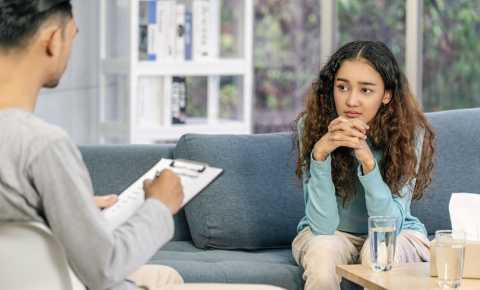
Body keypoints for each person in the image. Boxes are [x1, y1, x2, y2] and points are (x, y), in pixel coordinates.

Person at [0, 1, 282, 290]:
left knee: (163, 276)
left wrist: (74, 208)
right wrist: (159, 205)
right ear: (53, 40)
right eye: (73, 35)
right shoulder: (43, 146)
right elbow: (104, 268)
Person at [291, 40, 435, 290]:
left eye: (366, 90)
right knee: (323, 254)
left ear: (386, 94)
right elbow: (323, 226)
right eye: (342, 87)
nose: (351, 101)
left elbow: (388, 224)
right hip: (332, 233)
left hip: (398, 233)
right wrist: (320, 156)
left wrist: (368, 161)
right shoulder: (310, 126)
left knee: (378, 251)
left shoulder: (410, 133)